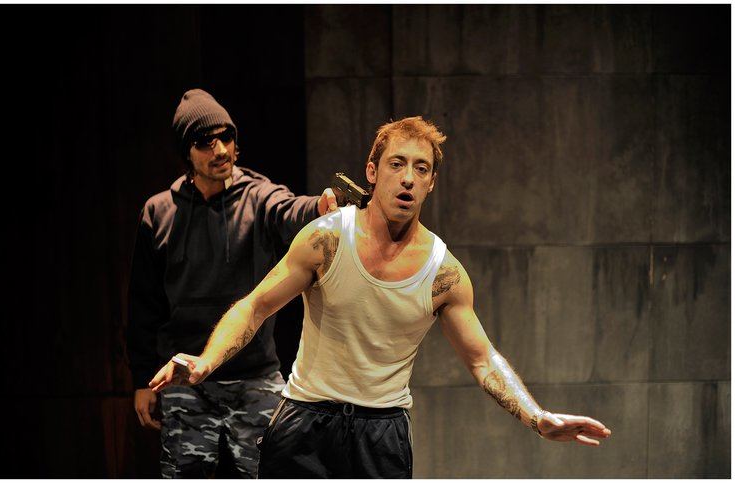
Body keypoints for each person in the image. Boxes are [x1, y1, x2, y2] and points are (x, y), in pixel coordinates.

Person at [148, 116, 612, 478]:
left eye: (421, 169)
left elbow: (482, 359)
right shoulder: (327, 239)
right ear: (372, 172)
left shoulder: (444, 274)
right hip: (306, 420)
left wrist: (537, 417)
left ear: (431, 183)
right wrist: (206, 362)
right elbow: (256, 305)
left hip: (381, 433)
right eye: (396, 164)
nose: (408, 178)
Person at [126, 88, 337, 478]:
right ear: (187, 152)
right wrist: (142, 379)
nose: (221, 150)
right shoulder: (159, 212)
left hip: (254, 376)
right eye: (206, 142)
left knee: (271, 473)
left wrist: (318, 208)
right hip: (186, 380)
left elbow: (289, 209)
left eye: (226, 138)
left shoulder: (258, 195)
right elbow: (143, 304)